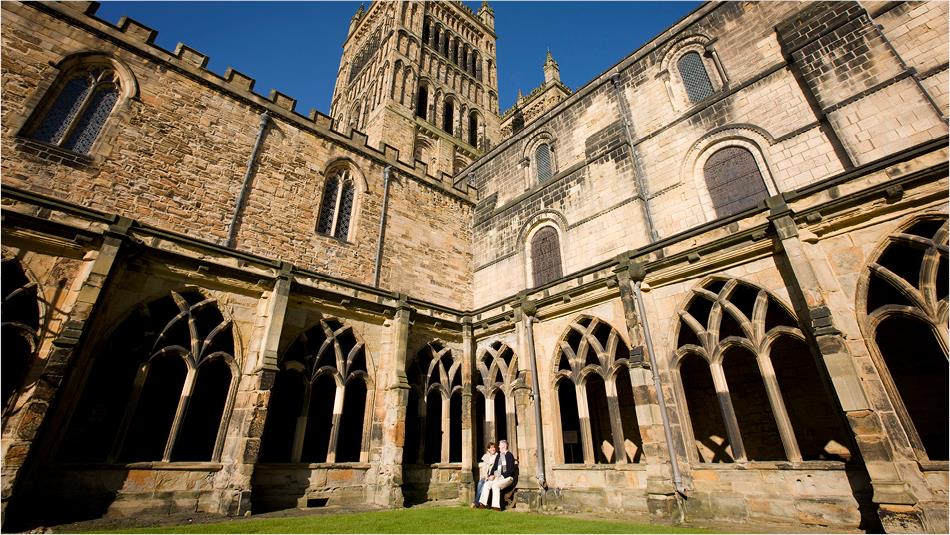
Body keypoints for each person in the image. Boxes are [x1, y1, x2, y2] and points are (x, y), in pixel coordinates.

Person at [477, 439, 515, 510]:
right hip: (498, 477)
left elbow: (511, 470)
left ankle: (496, 507)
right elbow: (495, 467)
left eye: (500, 445)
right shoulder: (499, 456)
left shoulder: (509, 455)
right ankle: (483, 504)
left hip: (508, 478)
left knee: (495, 485)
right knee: (487, 484)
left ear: (504, 446)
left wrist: (502, 476)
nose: (499, 447)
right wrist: (492, 475)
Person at [471, 442, 497, 508]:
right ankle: (478, 502)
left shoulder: (497, 456)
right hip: (485, 476)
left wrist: (491, 476)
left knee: (483, 486)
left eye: (494, 447)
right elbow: (484, 468)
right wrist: (485, 476)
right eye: (491, 448)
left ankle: (476, 502)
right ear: (488, 449)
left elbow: (497, 468)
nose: (493, 449)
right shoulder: (486, 456)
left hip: (493, 476)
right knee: (480, 483)